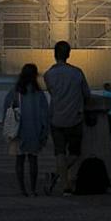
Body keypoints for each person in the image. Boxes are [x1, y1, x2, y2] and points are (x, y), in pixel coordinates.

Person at [42, 39, 90, 196]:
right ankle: (58, 177)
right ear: (69, 54)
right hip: (74, 118)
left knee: (60, 152)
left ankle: (64, 185)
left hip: (56, 118)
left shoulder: (48, 75)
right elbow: (86, 95)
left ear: (54, 55)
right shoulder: (77, 72)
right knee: (75, 153)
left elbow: (53, 93)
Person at [2, 63, 51, 196]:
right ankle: (33, 189)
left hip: (17, 132)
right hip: (34, 132)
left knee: (19, 161)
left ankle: (22, 189)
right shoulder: (39, 94)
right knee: (33, 161)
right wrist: (44, 133)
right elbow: (45, 115)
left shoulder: (14, 92)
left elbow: (6, 112)